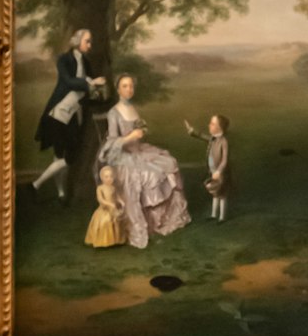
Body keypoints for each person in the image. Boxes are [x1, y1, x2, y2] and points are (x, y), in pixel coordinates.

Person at [99, 72, 190, 249]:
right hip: (124, 156)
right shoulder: (113, 113)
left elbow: (138, 133)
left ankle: (164, 219)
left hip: (139, 151)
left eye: (131, 86)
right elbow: (111, 143)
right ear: (118, 89)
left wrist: (140, 133)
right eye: (125, 86)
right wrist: (130, 137)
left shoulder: (132, 108)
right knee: (149, 174)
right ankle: (146, 224)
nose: (129, 89)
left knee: (170, 163)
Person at [32, 28, 107, 203]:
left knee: (63, 157)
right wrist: (91, 82)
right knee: (63, 157)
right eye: (87, 41)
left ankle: (58, 193)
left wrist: (96, 92)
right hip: (59, 112)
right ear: (77, 41)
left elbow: (88, 90)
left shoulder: (86, 63)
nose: (89, 45)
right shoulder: (63, 60)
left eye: (90, 42)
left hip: (74, 114)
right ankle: (38, 185)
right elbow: (68, 81)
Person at [186, 113, 232, 222]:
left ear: (219, 127)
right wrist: (193, 132)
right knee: (215, 193)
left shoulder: (223, 141)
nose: (209, 125)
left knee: (222, 194)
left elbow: (225, 159)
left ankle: (221, 217)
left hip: (220, 172)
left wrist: (219, 171)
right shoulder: (213, 139)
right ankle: (213, 215)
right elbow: (203, 136)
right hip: (212, 170)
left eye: (212, 124)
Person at [84, 164, 127, 248]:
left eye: (111, 176)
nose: (109, 179)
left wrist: (121, 202)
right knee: (106, 221)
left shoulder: (113, 188)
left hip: (113, 209)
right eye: (106, 177)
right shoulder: (100, 188)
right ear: (102, 178)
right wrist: (110, 204)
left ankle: (116, 239)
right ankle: (103, 241)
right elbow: (101, 200)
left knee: (117, 221)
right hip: (104, 210)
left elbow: (117, 196)